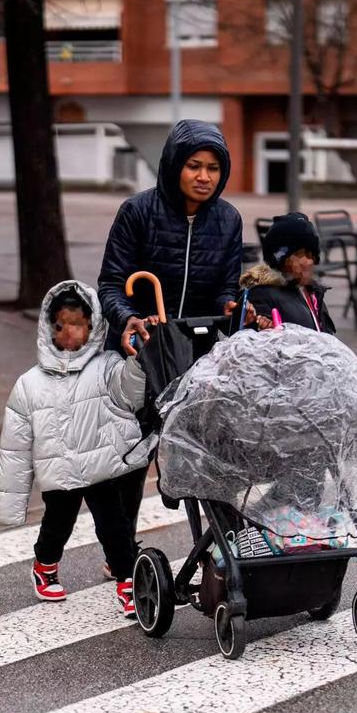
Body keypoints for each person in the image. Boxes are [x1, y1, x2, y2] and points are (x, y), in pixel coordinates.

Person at [96, 119, 253, 544]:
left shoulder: (227, 219)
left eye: (213, 168)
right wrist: (127, 317)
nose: (204, 177)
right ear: (173, 166)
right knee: (130, 458)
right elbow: (111, 284)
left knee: (211, 453)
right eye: (194, 166)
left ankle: (224, 551)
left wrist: (230, 305)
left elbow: (225, 287)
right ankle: (121, 553)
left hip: (194, 354)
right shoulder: (137, 212)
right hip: (140, 351)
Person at [0, 281, 155, 618]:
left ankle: (127, 580)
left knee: (115, 527)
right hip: (60, 470)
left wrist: (138, 362)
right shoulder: (30, 384)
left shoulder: (107, 366)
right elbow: (15, 449)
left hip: (100, 466)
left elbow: (131, 395)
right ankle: (45, 565)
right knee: (57, 525)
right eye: (60, 325)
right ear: (47, 328)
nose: (68, 332)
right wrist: (10, 506)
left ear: (92, 328)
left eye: (77, 324)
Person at [242, 212, 337, 334]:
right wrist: (265, 329)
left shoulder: (313, 293)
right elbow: (255, 335)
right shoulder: (262, 295)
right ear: (279, 259)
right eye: (298, 255)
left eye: (310, 255)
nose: (308, 262)